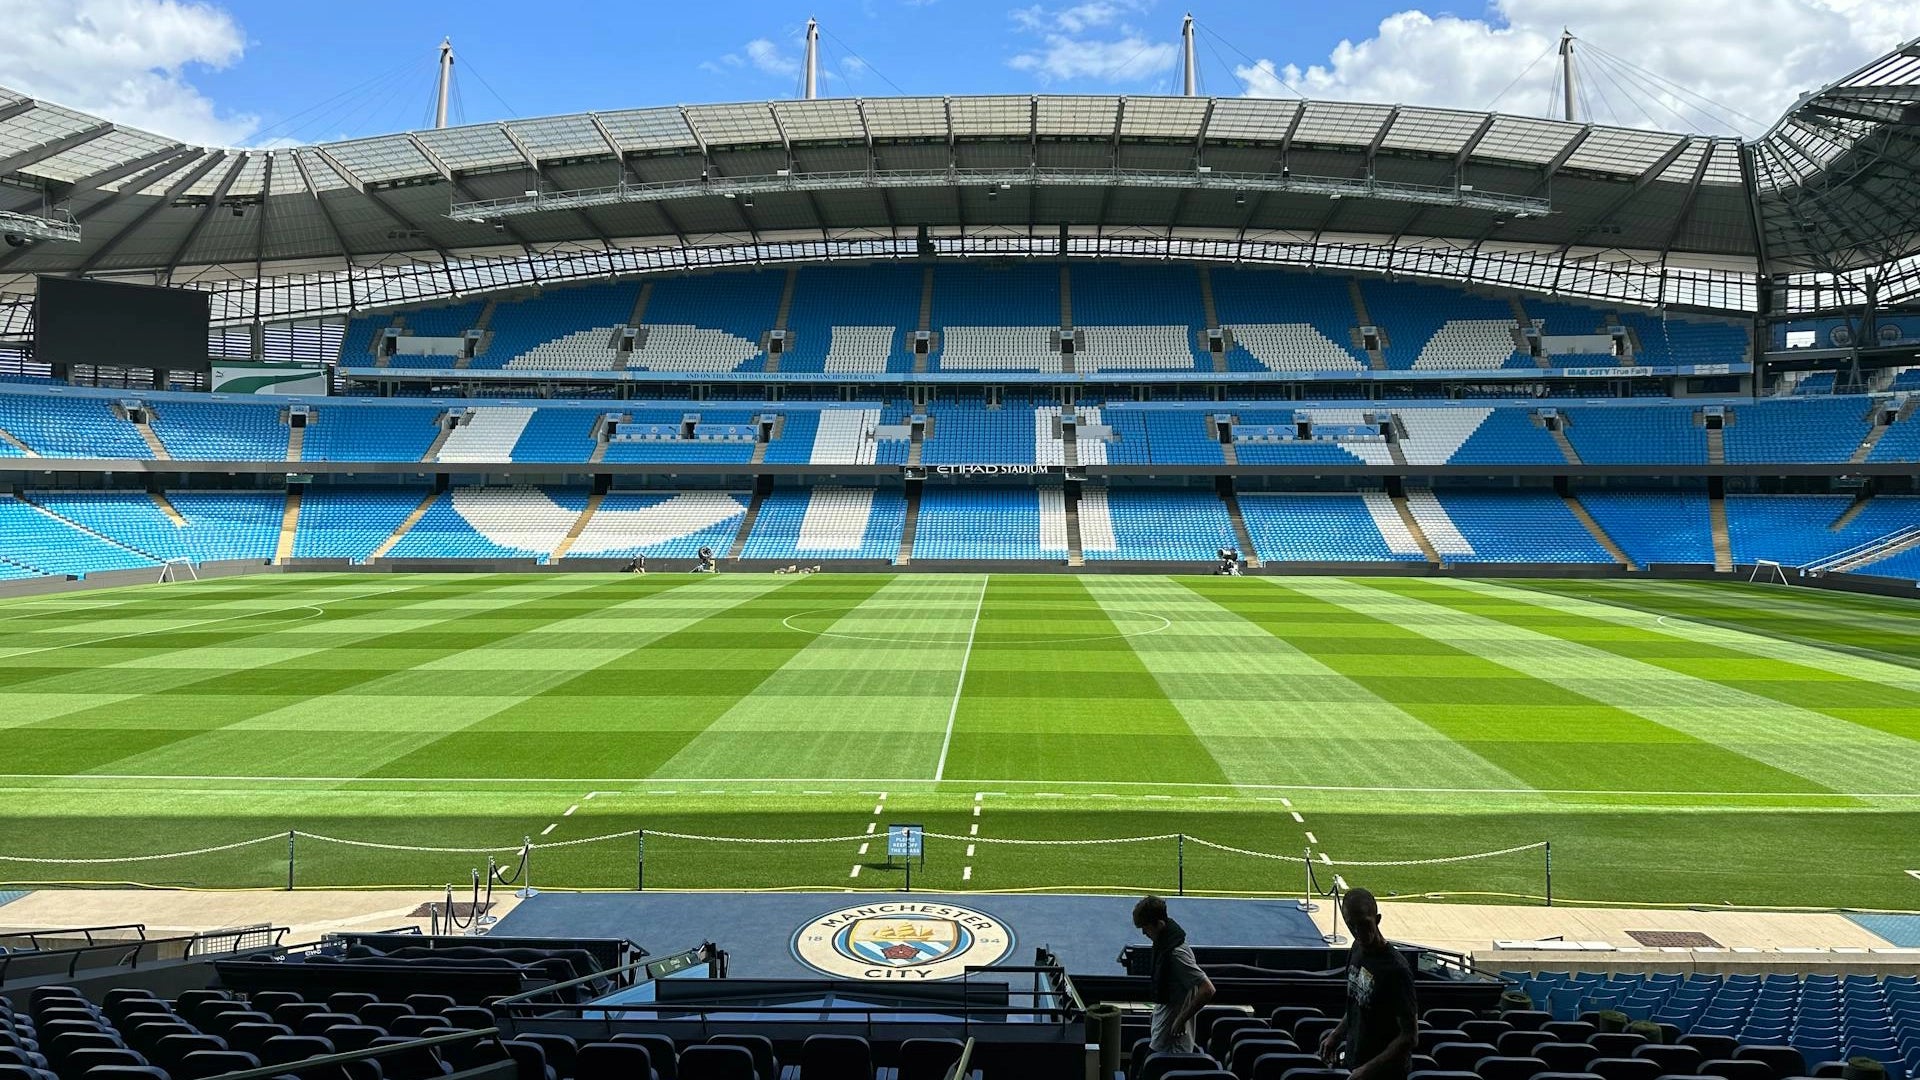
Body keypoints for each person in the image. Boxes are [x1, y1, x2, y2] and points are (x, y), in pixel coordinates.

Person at [1319, 888, 1417, 1080]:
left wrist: (1367, 1070)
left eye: (1364, 924)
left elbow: (1410, 1036)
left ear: (1378, 919)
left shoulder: (1396, 969)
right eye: (1351, 925)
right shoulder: (1356, 950)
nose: (1358, 932)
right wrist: (1336, 1035)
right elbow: (1358, 1003)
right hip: (1356, 1065)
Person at [1132, 894, 1215, 1054]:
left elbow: (1207, 989)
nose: (1143, 932)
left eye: (1146, 927)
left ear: (1159, 924)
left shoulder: (1176, 954)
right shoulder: (1169, 941)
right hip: (1164, 1032)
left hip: (1170, 1042)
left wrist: (1180, 1020)